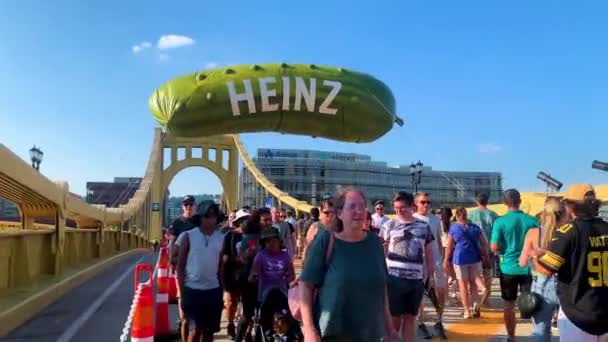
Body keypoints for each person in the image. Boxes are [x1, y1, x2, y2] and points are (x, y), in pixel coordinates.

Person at [300, 188, 396, 342]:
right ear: (339, 213)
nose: (358, 211)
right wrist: (309, 330)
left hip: (372, 334)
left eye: (362, 206)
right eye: (352, 207)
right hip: (334, 334)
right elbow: (305, 285)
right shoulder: (326, 240)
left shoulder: (374, 243)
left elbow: (382, 289)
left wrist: (391, 330)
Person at [534, 184, 608, 341]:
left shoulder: (568, 232)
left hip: (577, 314)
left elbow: (546, 270)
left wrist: (536, 256)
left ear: (571, 207)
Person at [382, 191, 435, 342]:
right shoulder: (388, 225)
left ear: (412, 206)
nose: (399, 210)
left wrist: (430, 276)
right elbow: (382, 251)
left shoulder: (424, 227)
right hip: (393, 279)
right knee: (394, 319)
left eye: (403, 207)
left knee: (411, 317)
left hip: (416, 280)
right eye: (396, 207)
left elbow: (429, 252)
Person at [490, 189, 539, 342]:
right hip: (528, 268)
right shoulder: (532, 220)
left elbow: (493, 247)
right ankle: (538, 333)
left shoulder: (500, 221)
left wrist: (503, 250)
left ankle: (511, 337)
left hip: (508, 268)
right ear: (520, 201)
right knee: (531, 303)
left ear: (505, 203)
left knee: (508, 305)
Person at [176, 201, 225, 342]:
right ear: (200, 218)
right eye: (206, 216)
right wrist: (183, 291)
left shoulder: (221, 238)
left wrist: (221, 292)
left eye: (213, 216)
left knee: (209, 333)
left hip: (213, 291)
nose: (210, 220)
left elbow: (220, 267)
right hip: (192, 290)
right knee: (195, 330)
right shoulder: (188, 236)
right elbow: (180, 266)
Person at [518, 196, 562, 342]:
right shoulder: (567, 231)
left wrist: (534, 254)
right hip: (566, 284)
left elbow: (522, 263)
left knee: (541, 332)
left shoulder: (533, 233)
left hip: (541, 285)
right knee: (570, 331)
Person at [235, 208, 275, 342]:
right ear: (257, 221)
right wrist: (248, 254)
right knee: (247, 315)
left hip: (269, 282)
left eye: (270, 219)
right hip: (250, 283)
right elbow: (243, 258)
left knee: (266, 316)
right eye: (266, 220)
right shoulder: (251, 238)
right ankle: (238, 339)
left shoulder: (274, 236)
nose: (269, 222)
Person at [249, 227, 296, 336]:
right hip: (265, 294)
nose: (272, 243)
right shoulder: (260, 255)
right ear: (264, 243)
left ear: (279, 241)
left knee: (286, 319)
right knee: (266, 322)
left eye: (274, 240)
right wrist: (254, 276)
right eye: (268, 241)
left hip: (282, 292)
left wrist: (288, 279)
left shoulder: (285, 255)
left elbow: (292, 274)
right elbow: (253, 273)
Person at [413, 192, 447, 339]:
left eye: (428, 202)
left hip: (437, 261)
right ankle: (420, 324)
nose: (426, 204)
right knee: (420, 294)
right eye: (423, 202)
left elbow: (439, 241)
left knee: (441, 291)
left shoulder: (435, 220)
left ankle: (439, 321)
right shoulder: (412, 219)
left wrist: (444, 260)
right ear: (416, 204)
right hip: (420, 263)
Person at [444, 207, 489, 319]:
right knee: (473, 284)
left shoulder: (454, 228)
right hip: (475, 258)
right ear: (466, 215)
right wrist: (485, 255)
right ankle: (476, 306)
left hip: (460, 259)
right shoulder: (475, 228)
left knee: (463, 285)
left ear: (457, 216)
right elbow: (484, 243)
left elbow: (449, 246)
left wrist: (446, 259)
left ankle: (467, 311)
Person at [169, 195, 198, 342]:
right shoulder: (177, 223)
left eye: (190, 205)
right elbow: (173, 243)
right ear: (182, 207)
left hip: (197, 264)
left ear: (195, 207)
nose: (188, 207)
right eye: (186, 205)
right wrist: (172, 261)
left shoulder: (199, 222)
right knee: (182, 294)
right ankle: (184, 319)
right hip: (181, 263)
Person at [220, 208, 250, 339]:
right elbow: (224, 256)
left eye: (248, 219)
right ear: (238, 222)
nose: (246, 222)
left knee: (249, 306)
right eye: (243, 220)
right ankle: (231, 323)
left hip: (249, 275)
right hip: (232, 275)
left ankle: (247, 331)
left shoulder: (253, 236)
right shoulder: (230, 236)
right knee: (231, 303)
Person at [468, 193, 499, 304]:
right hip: (488, 248)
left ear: (477, 201)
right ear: (487, 201)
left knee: (474, 274)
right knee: (487, 273)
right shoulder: (494, 215)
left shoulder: (471, 215)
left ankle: (475, 297)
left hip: (473, 248)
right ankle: (486, 298)